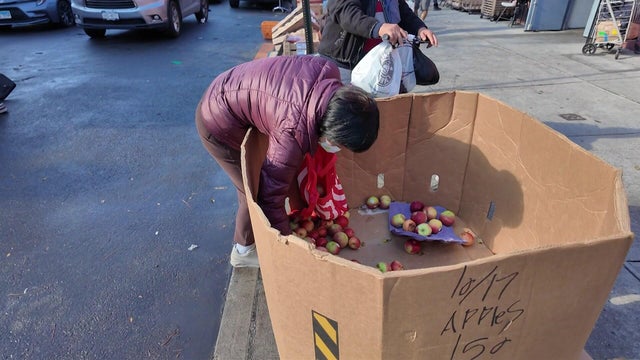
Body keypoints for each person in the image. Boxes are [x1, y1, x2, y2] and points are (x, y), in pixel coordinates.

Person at [196, 55, 380, 268]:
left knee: (276, 171)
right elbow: (270, 197)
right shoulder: (293, 131)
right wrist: (291, 247)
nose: (339, 149)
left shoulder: (328, 72)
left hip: (234, 87)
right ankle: (243, 251)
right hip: (217, 120)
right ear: (331, 133)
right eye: (341, 144)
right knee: (251, 191)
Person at [318, 0, 439, 84]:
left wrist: (420, 28)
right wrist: (378, 27)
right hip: (344, 62)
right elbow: (346, 12)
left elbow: (402, 9)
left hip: (378, 64)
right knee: (347, 113)